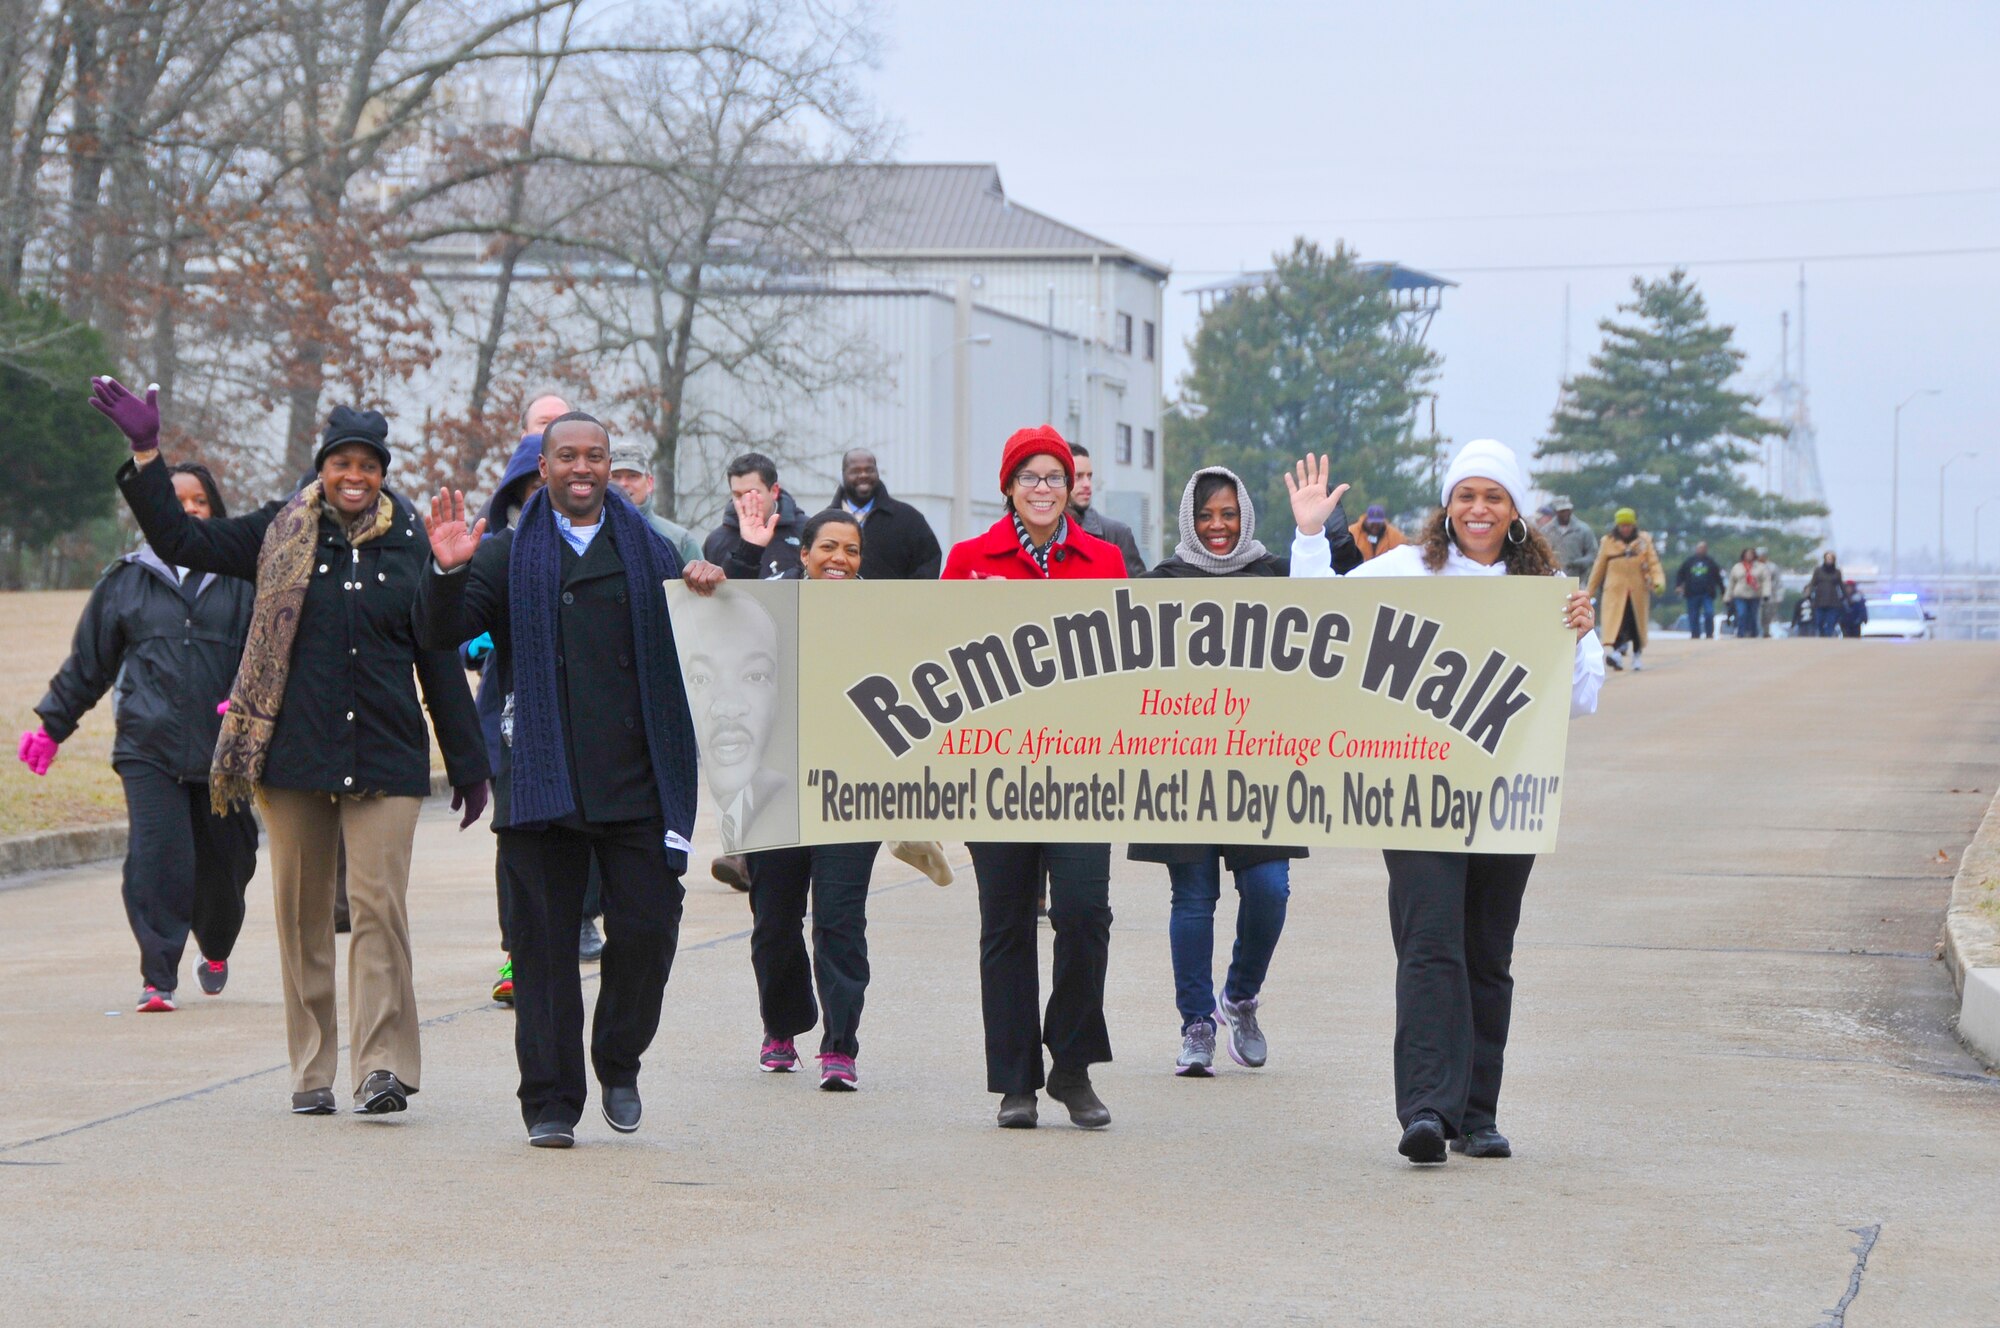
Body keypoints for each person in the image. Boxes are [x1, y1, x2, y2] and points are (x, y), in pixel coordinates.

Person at [95, 378, 489, 1119]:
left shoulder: (412, 540)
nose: (353, 476)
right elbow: (181, 540)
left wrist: (467, 763)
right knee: (303, 918)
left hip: (386, 755)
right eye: (342, 463)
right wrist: (147, 454)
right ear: (322, 467)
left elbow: (437, 653)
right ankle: (312, 1069)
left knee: (378, 912)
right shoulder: (278, 530)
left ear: (382, 474)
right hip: (293, 757)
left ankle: (381, 1067)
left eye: (367, 465)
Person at [1286, 440, 1602, 1164]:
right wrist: (1309, 535)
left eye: (1494, 496)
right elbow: (1319, 612)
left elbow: (1581, 700)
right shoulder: (1406, 569)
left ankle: (1477, 1115)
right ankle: (1428, 1109)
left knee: (1487, 952)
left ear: (1516, 511)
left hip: (1507, 793)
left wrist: (1581, 638)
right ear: (1447, 506)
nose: (1478, 509)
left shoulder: (1548, 589)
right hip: (1417, 790)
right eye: (1466, 495)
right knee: (1430, 943)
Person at [417, 411, 708, 1149]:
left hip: (637, 779)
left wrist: (711, 582)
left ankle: (618, 1058)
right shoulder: (506, 555)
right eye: (568, 456)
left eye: (596, 456)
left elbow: (712, 637)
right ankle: (549, 1100)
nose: (583, 468)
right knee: (542, 951)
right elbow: (441, 632)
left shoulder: (657, 553)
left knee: (648, 930)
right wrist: (447, 571)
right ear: (542, 469)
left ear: (611, 466)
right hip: (543, 780)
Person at [20, 462, 259, 1013]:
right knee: (158, 859)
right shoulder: (127, 579)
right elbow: (89, 663)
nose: (189, 509)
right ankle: (158, 977)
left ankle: (216, 944)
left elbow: (269, 652)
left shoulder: (244, 579)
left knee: (228, 864)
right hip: (148, 747)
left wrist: (249, 700)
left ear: (215, 511)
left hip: (225, 751)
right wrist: (53, 727)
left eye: (200, 501)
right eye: (176, 501)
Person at [942, 425, 1126, 1130]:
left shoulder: (1104, 559)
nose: (1043, 489)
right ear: (1009, 488)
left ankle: (1071, 1066)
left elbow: (1129, 657)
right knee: (1006, 924)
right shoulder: (969, 560)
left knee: (1084, 916)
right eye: (1030, 477)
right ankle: (1014, 1081)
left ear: (1071, 487)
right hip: (996, 769)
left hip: (1081, 769)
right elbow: (937, 656)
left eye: (1054, 477)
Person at [1134, 466, 1303, 1077]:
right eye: (1206, 515)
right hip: (1180, 762)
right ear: (1188, 518)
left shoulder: (1278, 575)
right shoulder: (1161, 583)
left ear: (1245, 516)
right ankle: (1197, 1024)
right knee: (1193, 897)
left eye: (1228, 514)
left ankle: (1241, 995)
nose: (1218, 526)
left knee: (1270, 889)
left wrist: (1320, 534)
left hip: (1262, 761)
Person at [829, 447, 942, 581]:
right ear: (842, 475)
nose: (863, 475)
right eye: (855, 471)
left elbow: (929, 562)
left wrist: (908, 593)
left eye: (869, 470)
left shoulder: (909, 519)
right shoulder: (826, 522)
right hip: (840, 595)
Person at [704, 452, 805, 580]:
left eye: (751, 494)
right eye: (737, 495)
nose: (745, 502)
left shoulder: (805, 531)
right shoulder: (717, 541)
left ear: (774, 491)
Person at [1589, 507, 1664, 671]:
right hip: (1615, 592)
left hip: (1637, 592)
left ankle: (1637, 655)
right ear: (1617, 526)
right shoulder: (1608, 542)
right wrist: (1589, 592)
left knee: (1635, 624)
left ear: (1633, 525)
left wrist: (1658, 581)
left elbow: (1653, 563)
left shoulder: (1643, 541)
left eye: (1628, 525)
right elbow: (1598, 568)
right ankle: (1616, 653)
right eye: (1622, 525)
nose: (1625, 529)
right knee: (1617, 623)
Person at [610, 443, 702, 567]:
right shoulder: (590, 533)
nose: (623, 483)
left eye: (633, 476)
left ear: (649, 483)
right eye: (616, 477)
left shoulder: (681, 542)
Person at [1067, 443, 1147, 575]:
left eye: (1089, 476)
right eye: (1078, 477)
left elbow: (1136, 587)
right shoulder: (1041, 534)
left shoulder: (1118, 534)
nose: (1087, 484)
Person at [1674, 541, 1725, 640]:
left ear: (1706, 550)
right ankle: (1695, 635)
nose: (1701, 550)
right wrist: (1678, 585)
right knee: (1693, 615)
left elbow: (1718, 578)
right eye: (1699, 548)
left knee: (1709, 613)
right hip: (1692, 593)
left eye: (1703, 548)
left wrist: (1723, 591)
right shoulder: (1689, 561)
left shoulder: (1710, 562)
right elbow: (1680, 574)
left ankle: (1709, 634)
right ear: (1696, 549)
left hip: (1707, 594)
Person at [1546, 495, 1596, 583]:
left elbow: (1592, 555)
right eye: (1562, 511)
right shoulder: (1546, 531)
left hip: (1578, 580)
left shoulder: (1583, 530)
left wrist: (1577, 563)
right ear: (1556, 512)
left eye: (1567, 510)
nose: (1565, 513)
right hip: (1553, 580)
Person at [1807, 551, 1849, 639]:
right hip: (1819, 601)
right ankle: (1822, 636)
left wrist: (1846, 597)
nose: (1829, 560)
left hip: (1833, 602)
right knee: (1819, 622)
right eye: (1827, 558)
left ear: (1834, 560)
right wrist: (1809, 594)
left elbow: (1841, 585)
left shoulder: (1837, 572)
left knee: (1831, 623)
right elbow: (1812, 584)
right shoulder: (1818, 571)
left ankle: (1828, 638)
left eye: (1831, 558)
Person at [1726, 547, 1763, 639]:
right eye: (1747, 554)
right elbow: (1731, 583)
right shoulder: (1737, 567)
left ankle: (1753, 633)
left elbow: (1765, 581)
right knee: (1742, 614)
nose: (1749, 556)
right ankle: (1741, 633)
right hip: (1740, 594)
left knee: (1753, 615)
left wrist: (1766, 593)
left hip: (1754, 594)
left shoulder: (1760, 567)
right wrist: (1727, 596)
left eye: (1751, 554)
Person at [1755, 548, 1782, 637]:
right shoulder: (1753, 566)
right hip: (1756, 594)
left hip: (1770, 595)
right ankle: (1756, 631)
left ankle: (1766, 631)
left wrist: (1779, 596)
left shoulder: (1773, 567)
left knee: (1767, 615)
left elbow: (1778, 582)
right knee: (1757, 614)